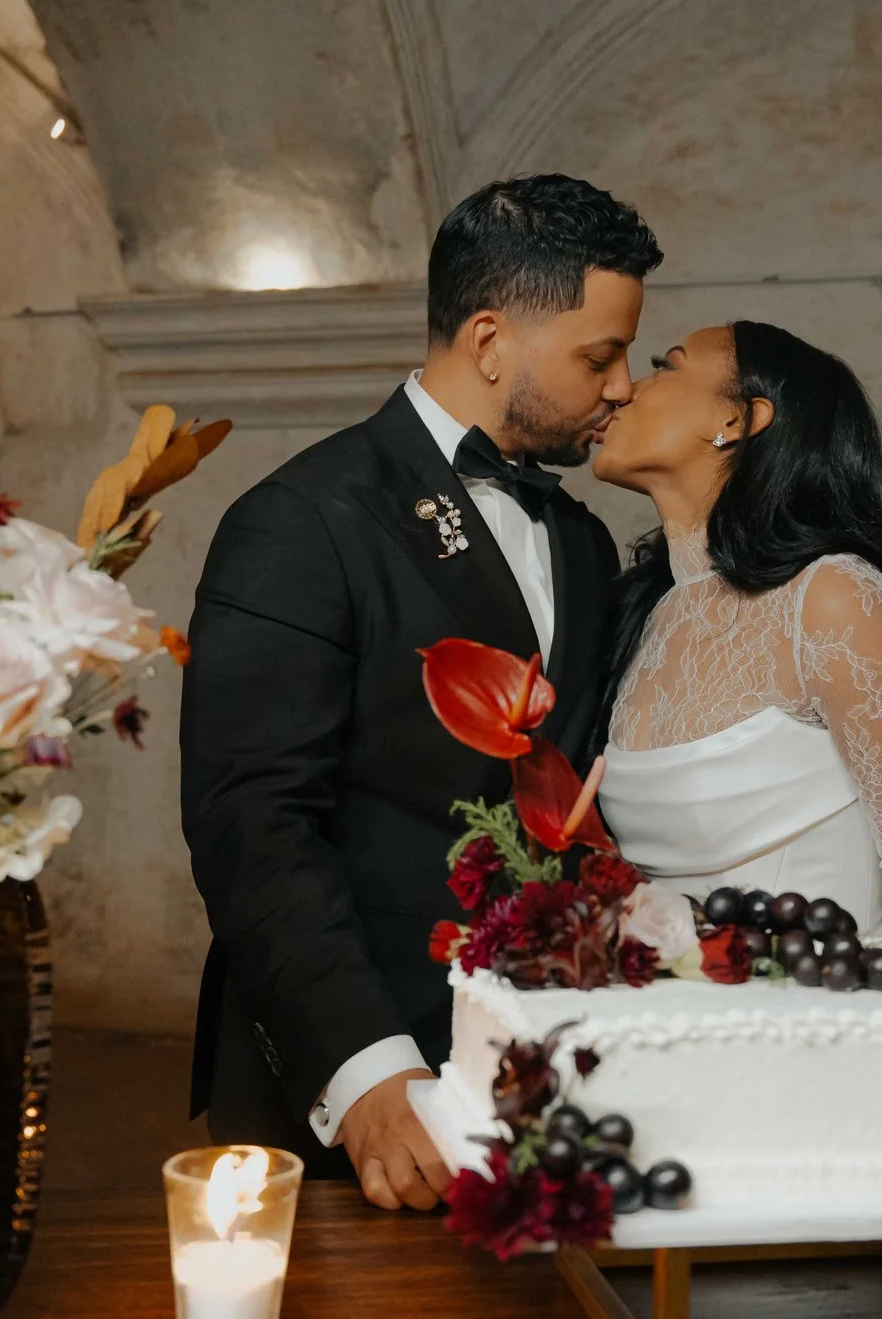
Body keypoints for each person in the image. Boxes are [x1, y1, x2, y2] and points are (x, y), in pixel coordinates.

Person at [181, 174, 660, 1211]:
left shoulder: (578, 538)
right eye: (598, 356)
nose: (622, 385)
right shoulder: (302, 521)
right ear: (489, 342)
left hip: (535, 1069)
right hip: (357, 1086)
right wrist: (362, 1069)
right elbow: (250, 823)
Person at [589, 322, 882, 939]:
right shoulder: (644, 616)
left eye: (666, 367)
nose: (623, 391)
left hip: (833, 1017)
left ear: (739, 420)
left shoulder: (830, 598)